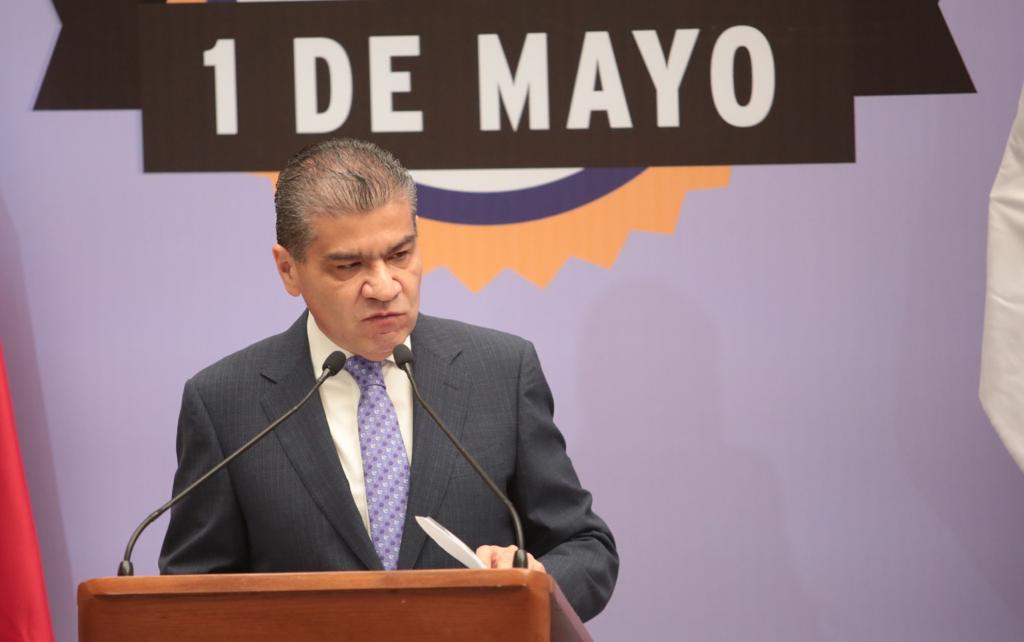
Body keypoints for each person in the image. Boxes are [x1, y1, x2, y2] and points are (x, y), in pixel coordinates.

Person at [158, 138, 617, 621]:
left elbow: (586, 548)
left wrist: (535, 582)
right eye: (349, 266)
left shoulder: (500, 371)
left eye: (400, 254)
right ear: (289, 269)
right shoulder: (225, 403)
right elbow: (191, 597)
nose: (384, 286)